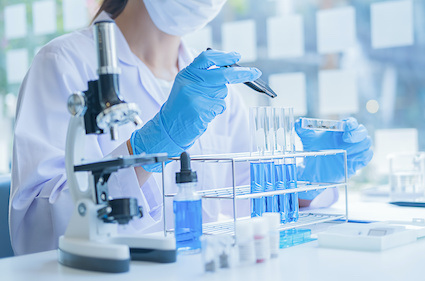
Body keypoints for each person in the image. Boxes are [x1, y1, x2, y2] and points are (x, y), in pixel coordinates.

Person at [9, 0, 373, 255]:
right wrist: (144, 151)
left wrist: (307, 182)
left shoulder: (216, 88)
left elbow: (247, 202)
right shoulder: (63, 64)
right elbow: (38, 232)